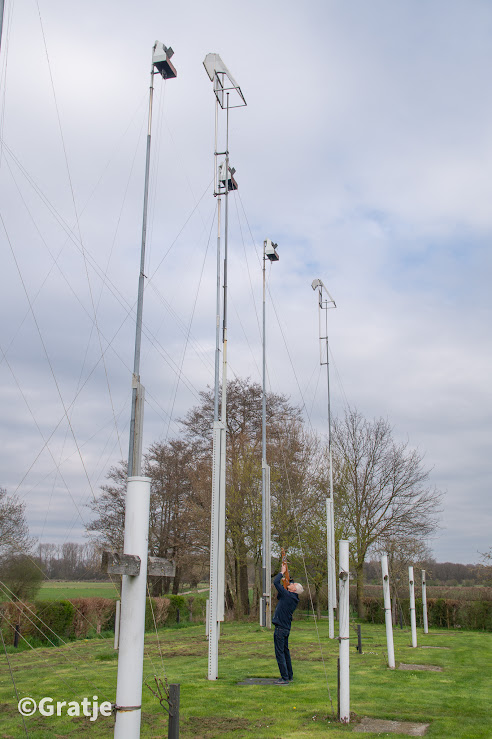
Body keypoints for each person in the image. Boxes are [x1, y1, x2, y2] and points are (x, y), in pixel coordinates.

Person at [272, 563, 304, 685]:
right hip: (285, 628)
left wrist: (282, 572)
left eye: (292, 585)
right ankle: (289, 675)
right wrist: (287, 577)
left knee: (280, 653)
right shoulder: (292, 597)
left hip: (280, 628)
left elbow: (275, 583)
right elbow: (281, 593)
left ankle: (284, 678)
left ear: (294, 589)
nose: (291, 584)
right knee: (285, 652)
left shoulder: (288, 595)